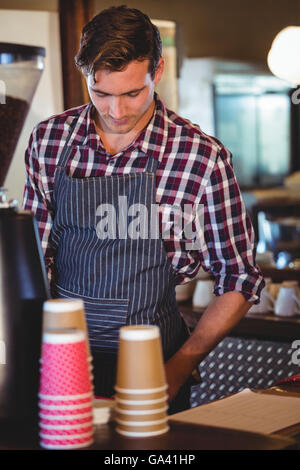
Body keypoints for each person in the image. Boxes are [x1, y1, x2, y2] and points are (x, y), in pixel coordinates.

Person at [23, 5, 265, 413]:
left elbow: (238, 278)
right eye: (100, 93)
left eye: (132, 93)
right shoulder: (50, 141)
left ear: (157, 71)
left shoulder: (201, 158)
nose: (116, 112)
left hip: (158, 367)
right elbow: (33, 260)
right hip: (61, 367)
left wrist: (181, 367)